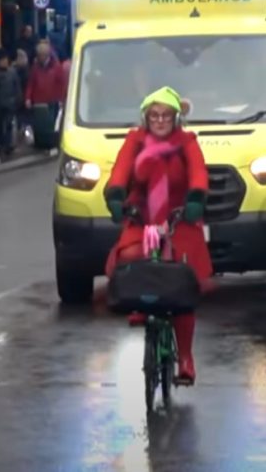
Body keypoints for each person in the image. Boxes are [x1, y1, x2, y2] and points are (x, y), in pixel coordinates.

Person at [103, 86, 211, 385]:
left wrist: (195, 199)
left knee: (181, 281)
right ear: (146, 118)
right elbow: (121, 170)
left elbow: (198, 173)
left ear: (176, 118)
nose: (160, 121)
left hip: (178, 217)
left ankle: (186, 358)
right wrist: (115, 196)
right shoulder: (135, 140)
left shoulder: (186, 142)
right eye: (154, 116)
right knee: (130, 256)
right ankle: (141, 304)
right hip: (142, 216)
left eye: (166, 115)